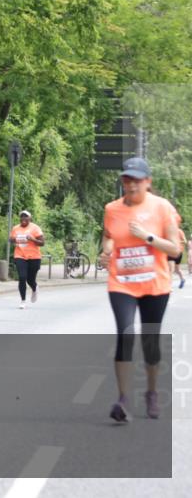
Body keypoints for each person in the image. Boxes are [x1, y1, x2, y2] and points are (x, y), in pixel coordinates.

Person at [97, 157, 182, 422]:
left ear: (148, 182)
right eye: (126, 180)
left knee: (150, 342)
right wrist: (106, 253)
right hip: (121, 283)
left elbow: (175, 249)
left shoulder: (162, 208)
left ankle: (152, 392)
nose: (131, 185)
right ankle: (123, 400)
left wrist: (147, 236)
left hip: (155, 284)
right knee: (126, 334)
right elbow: (109, 238)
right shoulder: (112, 209)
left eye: (136, 180)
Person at [9, 210, 44, 308]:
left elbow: (42, 243)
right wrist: (14, 240)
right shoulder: (16, 228)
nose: (23, 219)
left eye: (26, 217)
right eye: (22, 217)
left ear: (30, 218)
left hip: (34, 257)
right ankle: (23, 301)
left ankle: (34, 287)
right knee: (22, 277)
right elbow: (10, 239)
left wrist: (32, 239)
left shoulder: (35, 228)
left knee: (30, 279)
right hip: (20, 255)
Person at [169, 209, 185, 289]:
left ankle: (182, 279)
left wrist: (178, 242)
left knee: (177, 269)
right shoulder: (168, 230)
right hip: (170, 252)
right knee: (171, 269)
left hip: (178, 251)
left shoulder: (179, 231)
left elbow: (184, 241)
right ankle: (169, 286)